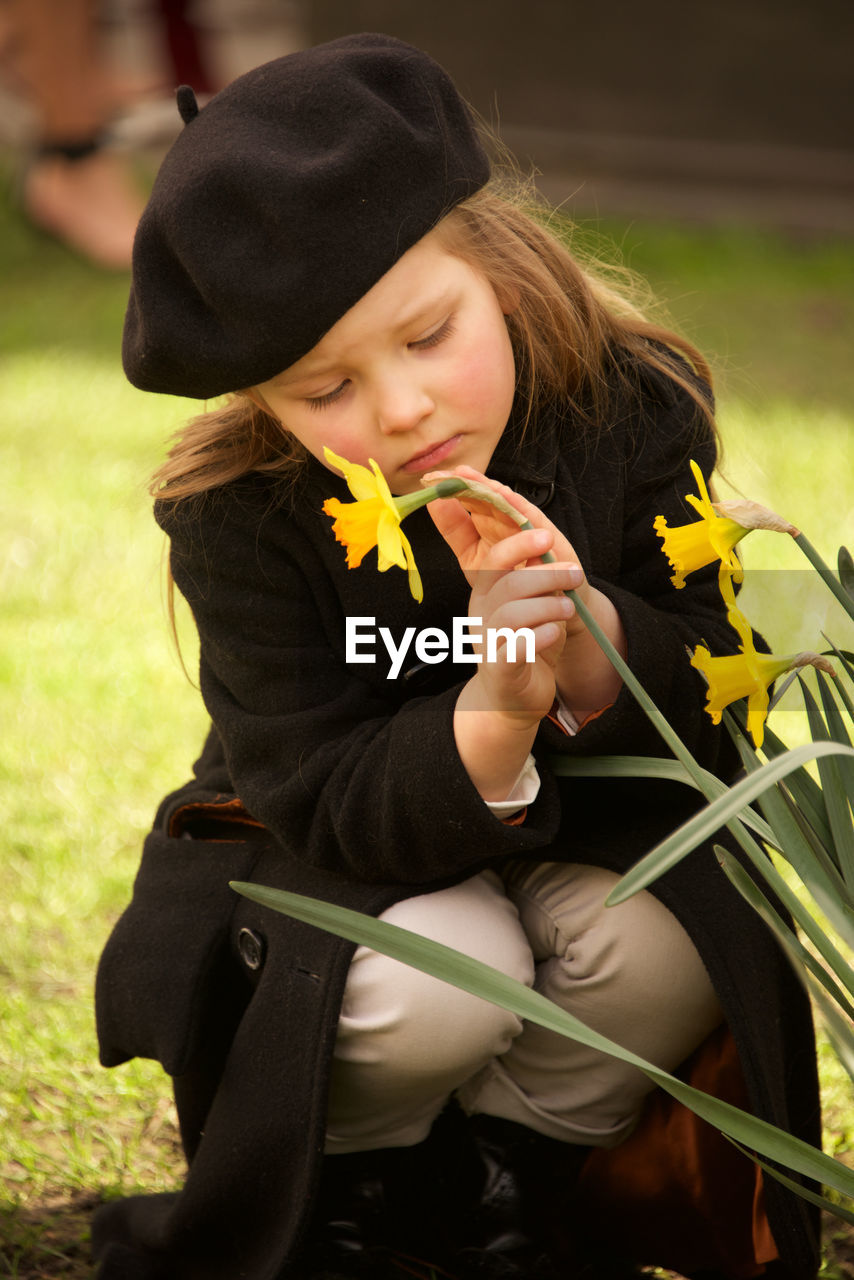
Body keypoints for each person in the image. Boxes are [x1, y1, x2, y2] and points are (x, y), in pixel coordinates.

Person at [92, 33, 821, 1280]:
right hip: (340, 858)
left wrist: (589, 646)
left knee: (660, 948)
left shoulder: (630, 406)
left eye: (428, 335)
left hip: (587, 832)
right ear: (259, 408)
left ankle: (514, 1186)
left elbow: (715, 684)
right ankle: (365, 1184)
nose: (400, 410)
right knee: (448, 975)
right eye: (324, 392)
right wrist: (491, 712)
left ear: (494, 264)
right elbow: (311, 787)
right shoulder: (240, 516)